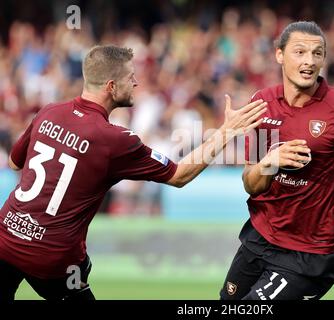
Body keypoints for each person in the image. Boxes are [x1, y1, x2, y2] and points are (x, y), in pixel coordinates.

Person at [0, 45, 267, 301]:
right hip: (52, 257)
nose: (136, 82)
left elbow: (14, 163)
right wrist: (226, 132)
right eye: (130, 77)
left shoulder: (49, 111)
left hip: (5, 239)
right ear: (111, 86)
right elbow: (179, 176)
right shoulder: (115, 140)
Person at [220, 21, 334, 300]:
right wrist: (269, 162)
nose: (309, 61)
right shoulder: (261, 104)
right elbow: (251, 184)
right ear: (279, 54)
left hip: (310, 254)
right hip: (259, 237)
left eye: (317, 53)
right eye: (299, 52)